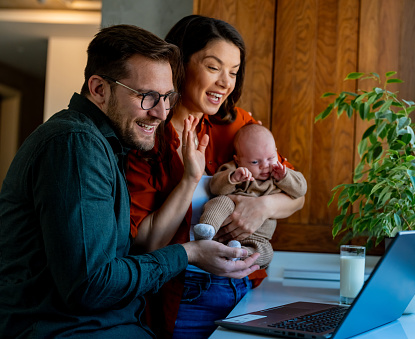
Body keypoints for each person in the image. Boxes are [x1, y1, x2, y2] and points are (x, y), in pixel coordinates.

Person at [0, 24, 259, 338]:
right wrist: (188, 254)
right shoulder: (75, 144)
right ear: (99, 89)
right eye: (149, 97)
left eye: (167, 97)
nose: (162, 113)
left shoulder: (107, 144)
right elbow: (91, 285)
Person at [126, 15, 305, 339]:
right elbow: (147, 244)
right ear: (179, 64)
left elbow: (296, 195)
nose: (226, 82)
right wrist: (191, 180)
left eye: (234, 72)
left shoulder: (240, 126)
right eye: (213, 67)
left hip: (248, 288)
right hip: (184, 295)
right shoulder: (148, 135)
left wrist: (261, 208)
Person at [194, 124, 307, 268]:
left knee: (266, 253)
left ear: (276, 152)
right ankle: (207, 228)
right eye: (255, 162)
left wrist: (285, 177)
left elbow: (301, 190)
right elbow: (215, 188)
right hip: (226, 222)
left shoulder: (278, 175)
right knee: (221, 202)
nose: (265, 165)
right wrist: (233, 178)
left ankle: (240, 254)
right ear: (238, 160)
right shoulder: (235, 170)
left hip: (259, 237)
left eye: (270, 157)